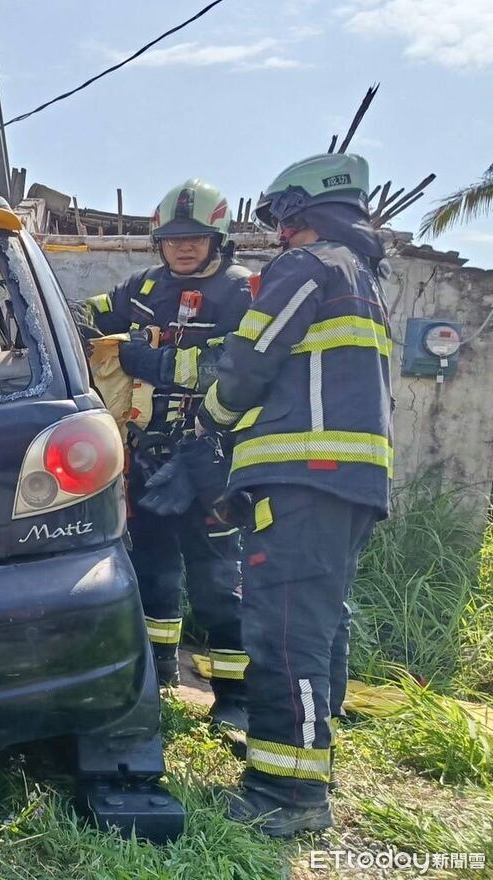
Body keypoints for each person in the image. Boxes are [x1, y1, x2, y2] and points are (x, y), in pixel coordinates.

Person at [196, 153, 392, 837]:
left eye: (280, 219)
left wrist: (210, 418)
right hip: (349, 484)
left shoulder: (309, 268)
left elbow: (250, 362)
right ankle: (308, 756)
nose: (276, 235)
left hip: (304, 478)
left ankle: (287, 792)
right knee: (320, 620)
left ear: (301, 214)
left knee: (284, 630)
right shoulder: (361, 278)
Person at [81, 179, 252, 732]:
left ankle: (235, 698)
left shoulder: (244, 290)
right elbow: (85, 318)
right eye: (174, 237)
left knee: (218, 578)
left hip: (212, 456)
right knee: (152, 570)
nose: (184, 246)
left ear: (217, 238)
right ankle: (158, 676)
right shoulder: (140, 288)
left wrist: (144, 359)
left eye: (196, 237)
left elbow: (236, 364)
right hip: (148, 454)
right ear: (159, 241)